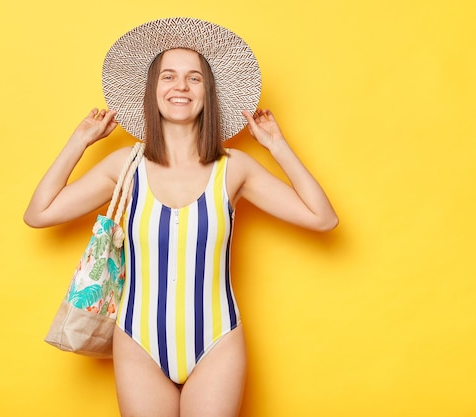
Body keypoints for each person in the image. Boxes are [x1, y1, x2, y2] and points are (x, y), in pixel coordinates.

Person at [24, 18, 338, 417]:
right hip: (137, 342)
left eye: (194, 78)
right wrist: (80, 140)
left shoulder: (234, 168)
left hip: (217, 341)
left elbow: (322, 219)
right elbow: (39, 214)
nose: (181, 87)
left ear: (209, 92)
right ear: (153, 91)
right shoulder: (125, 165)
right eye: (168, 77)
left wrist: (277, 146)